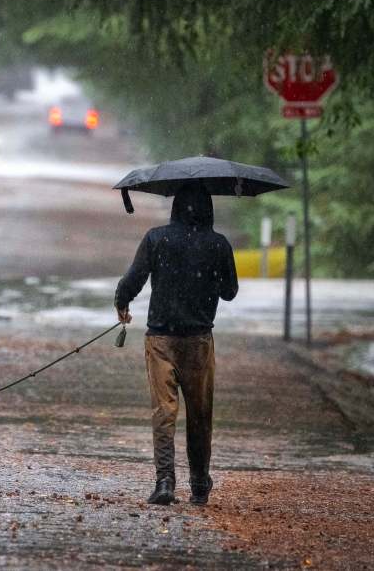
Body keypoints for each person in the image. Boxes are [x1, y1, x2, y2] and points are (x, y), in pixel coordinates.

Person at [114, 182, 238, 506]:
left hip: (161, 340)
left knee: (164, 412)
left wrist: (121, 302)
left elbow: (134, 279)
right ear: (209, 208)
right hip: (199, 341)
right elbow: (230, 292)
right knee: (200, 414)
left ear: (175, 206)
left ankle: (165, 481)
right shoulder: (219, 244)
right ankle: (199, 483)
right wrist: (207, 273)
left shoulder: (157, 239)